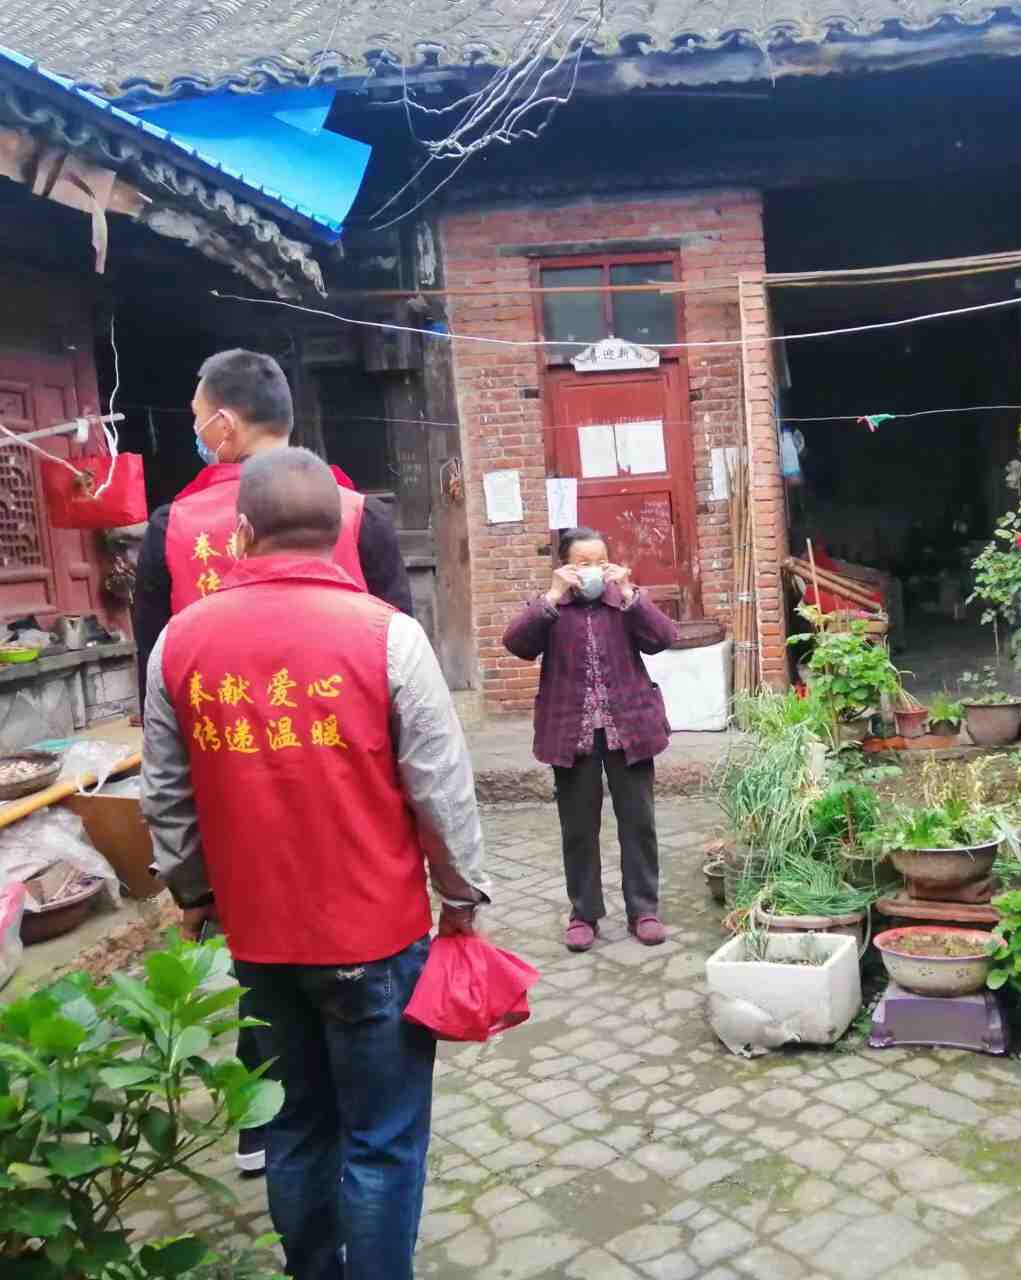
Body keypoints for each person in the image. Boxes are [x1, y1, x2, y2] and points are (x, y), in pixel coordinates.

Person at [142, 448, 489, 1280]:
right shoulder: (390, 637)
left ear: (241, 532)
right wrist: (461, 897)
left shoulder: (179, 643)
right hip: (377, 935)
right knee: (381, 1140)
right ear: (338, 534)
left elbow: (167, 798)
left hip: (259, 938)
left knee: (294, 1128)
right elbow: (441, 789)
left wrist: (193, 893)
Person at [132, 348, 412, 1174]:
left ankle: (270, 1121)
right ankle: (360, 1124)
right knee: (355, 965)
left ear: (223, 422)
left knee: (261, 953)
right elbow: (408, 673)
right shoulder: (358, 514)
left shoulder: (172, 527)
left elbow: (156, 687)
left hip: (232, 792)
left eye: (195, 416)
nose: (195, 429)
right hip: (355, 796)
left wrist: (186, 875)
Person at [502, 527, 679, 952]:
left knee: (638, 823)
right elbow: (516, 644)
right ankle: (584, 914)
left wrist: (630, 593)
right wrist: (551, 595)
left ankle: (644, 910)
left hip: (630, 729)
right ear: (564, 567)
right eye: (582, 564)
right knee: (579, 828)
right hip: (571, 733)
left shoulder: (623, 602)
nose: (593, 571)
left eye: (600, 562)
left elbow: (664, 638)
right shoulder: (551, 608)